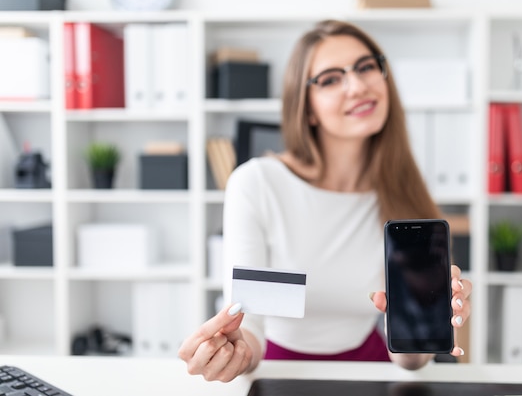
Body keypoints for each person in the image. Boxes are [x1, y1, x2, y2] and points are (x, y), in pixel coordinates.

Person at [178, 19, 472, 382]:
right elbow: (249, 322)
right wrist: (234, 353)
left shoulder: (403, 193)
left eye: (366, 67)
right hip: (279, 370)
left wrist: (424, 325)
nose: (358, 85)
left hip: (376, 372)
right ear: (308, 107)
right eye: (331, 78)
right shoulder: (257, 184)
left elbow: (410, 359)